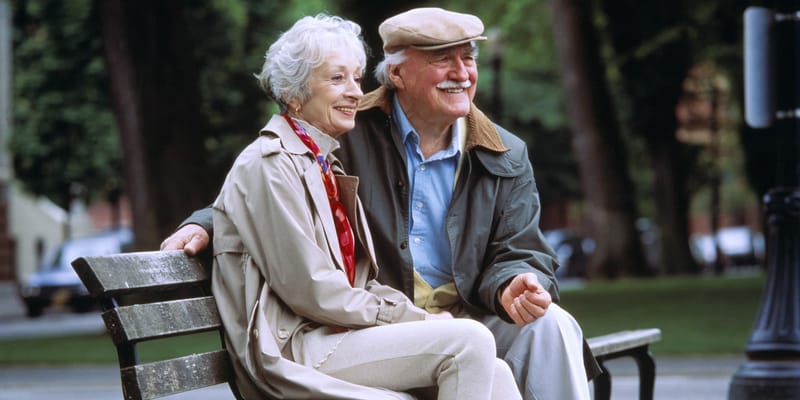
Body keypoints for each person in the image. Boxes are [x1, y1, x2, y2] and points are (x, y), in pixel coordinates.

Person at [163, 8, 601, 399]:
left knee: (551, 329)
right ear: (397, 74)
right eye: (442, 59)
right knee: (471, 347)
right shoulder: (347, 132)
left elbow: (519, 248)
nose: (462, 72)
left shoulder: (504, 152)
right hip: (366, 325)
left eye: (468, 58)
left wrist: (515, 284)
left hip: (460, 312)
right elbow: (264, 193)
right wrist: (207, 223)